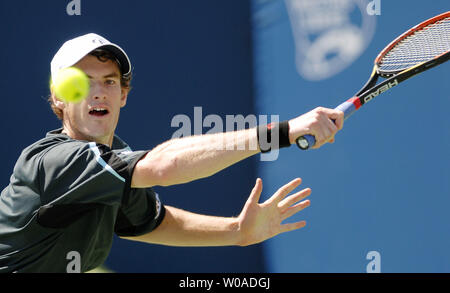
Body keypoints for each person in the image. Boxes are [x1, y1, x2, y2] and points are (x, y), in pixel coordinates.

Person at [0, 33, 344, 273]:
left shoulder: (112, 161)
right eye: (83, 82)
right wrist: (282, 132)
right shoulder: (54, 160)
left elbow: (152, 222)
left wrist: (236, 232)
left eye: (109, 81)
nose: (98, 92)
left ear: (124, 95)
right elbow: (164, 167)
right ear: (59, 98)